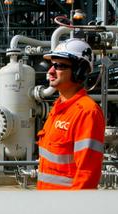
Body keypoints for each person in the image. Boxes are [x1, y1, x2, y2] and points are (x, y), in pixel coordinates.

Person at [36, 38, 106, 190]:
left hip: (66, 206)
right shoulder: (58, 108)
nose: (50, 71)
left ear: (78, 71)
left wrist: (73, 209)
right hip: (47, 201)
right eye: (51, 65)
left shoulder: (87, 112)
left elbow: (87, 174)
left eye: (59, 66)